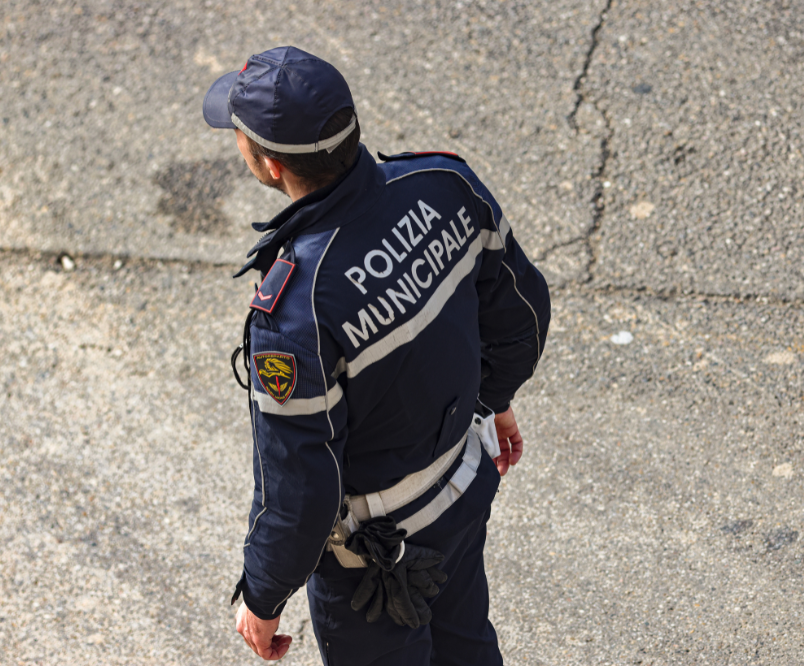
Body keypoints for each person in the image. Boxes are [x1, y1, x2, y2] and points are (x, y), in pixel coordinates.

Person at [202, 46, 550, 665]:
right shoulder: (445, 185)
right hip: (463, 489)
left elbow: (301, 489)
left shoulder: (295, 311)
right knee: (468, 648)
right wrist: (495, 400)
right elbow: (521, 315)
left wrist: (263, 594)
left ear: (269, 163)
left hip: (372, 566)